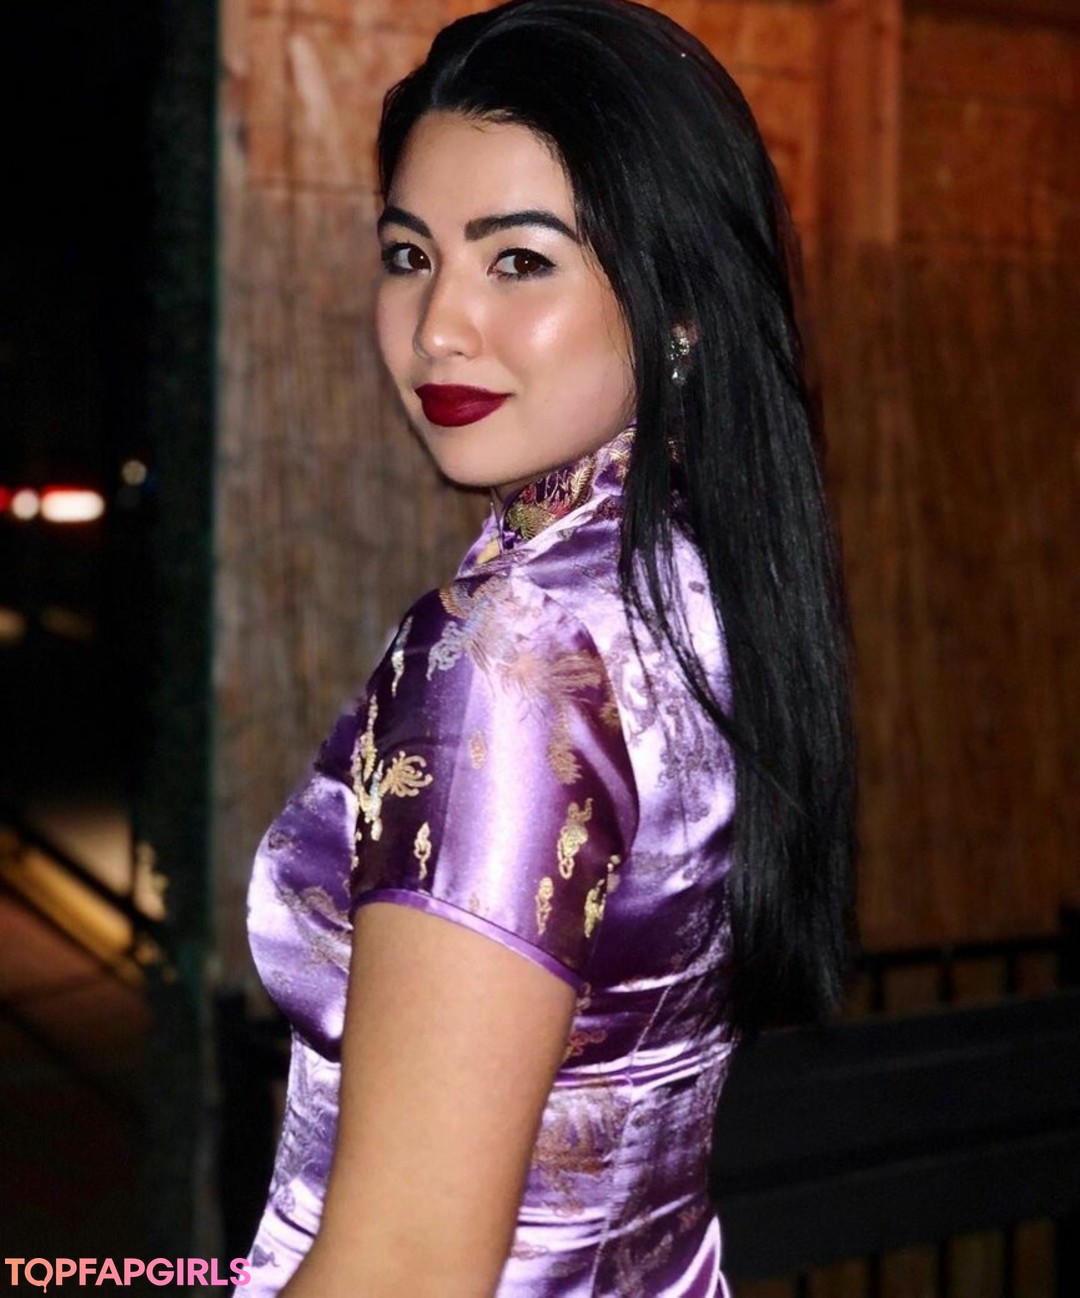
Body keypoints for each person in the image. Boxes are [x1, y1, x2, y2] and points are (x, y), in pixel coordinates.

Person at [239, 0, 855, 1294]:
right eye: (409, 254)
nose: (439, 324)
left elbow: (407, 1267)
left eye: (518, 260)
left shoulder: (509, 662)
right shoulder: (693, 577)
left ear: (679, 305)